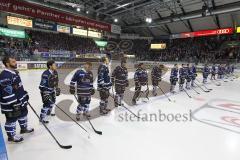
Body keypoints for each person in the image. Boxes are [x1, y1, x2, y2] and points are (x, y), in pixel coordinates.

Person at [0, 56, 34, 143]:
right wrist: (13, 103)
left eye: (15, 61)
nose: (16, 63)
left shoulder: (15, 72)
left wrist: (24, 94)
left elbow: (18, 86)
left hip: (20, 100)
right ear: (7, 63)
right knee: (12, 119)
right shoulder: (5, 75)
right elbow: (6, 92)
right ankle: (11, 136)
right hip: (11, 103)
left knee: (23, 114)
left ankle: (24, 128)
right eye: (13, 61)